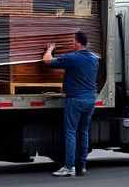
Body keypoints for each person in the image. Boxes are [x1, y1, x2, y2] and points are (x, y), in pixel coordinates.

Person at [43, 30, 100, 177]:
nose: (71, 43)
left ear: (77, 42)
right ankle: (82, 165)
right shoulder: (94, 58)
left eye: (72, 41)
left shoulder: (72, 58)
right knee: (84, 132)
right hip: (90, 99)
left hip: (75, 100)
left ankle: (69, 167)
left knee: (70, 132)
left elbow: (47, 61)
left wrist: (49, 49)